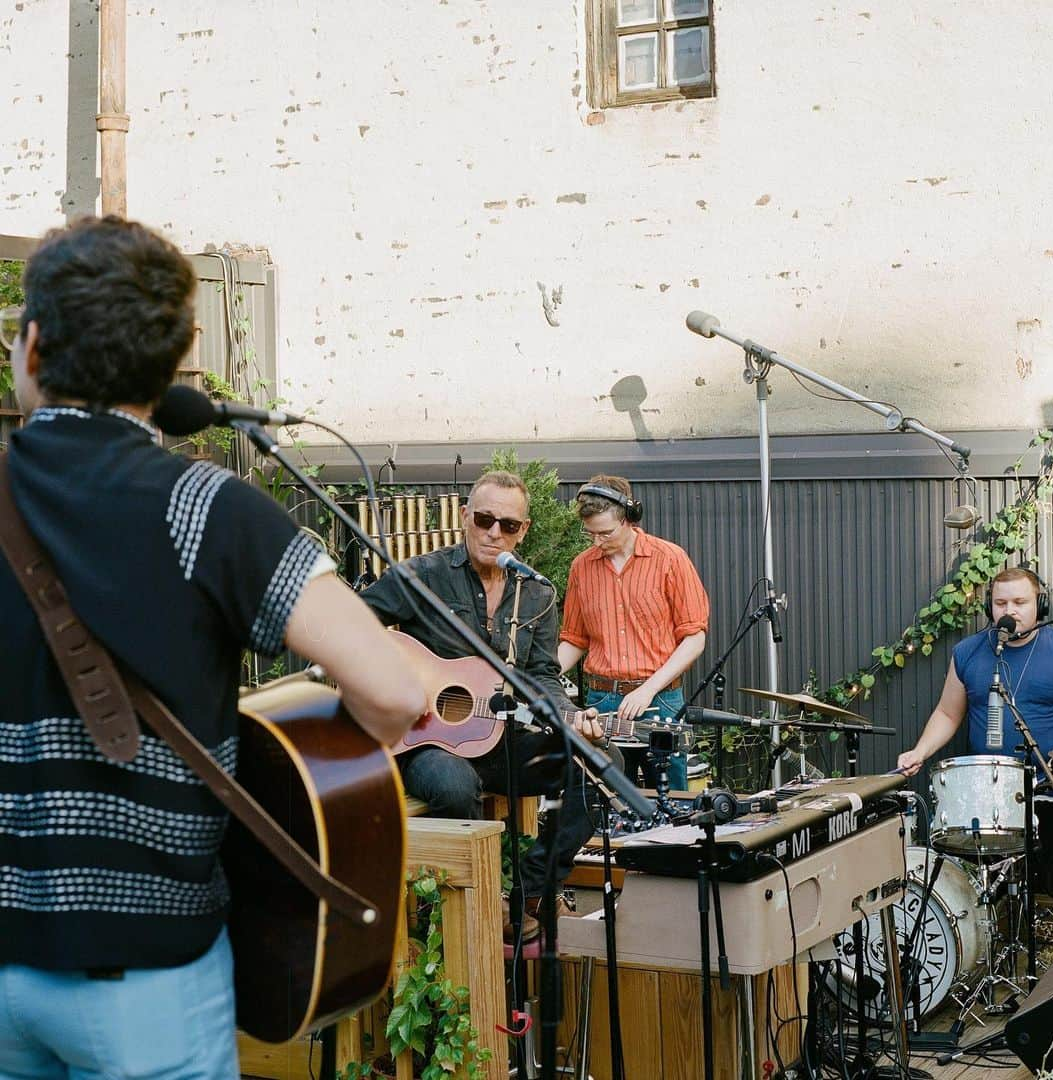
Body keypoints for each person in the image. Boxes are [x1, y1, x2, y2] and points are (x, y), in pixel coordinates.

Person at [0, 216, 425, 1080]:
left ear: (33, 345)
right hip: (147, 982)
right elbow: (393, 691)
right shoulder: (208, 509)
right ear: (174, 364)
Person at [360, 470, 606, 943]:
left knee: (597, 767)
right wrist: (395, 684)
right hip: (427, 737)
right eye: (485, 519)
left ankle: (529, 894)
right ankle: (467, 906)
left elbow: (542, 676)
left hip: (499, 735)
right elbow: (351, 625)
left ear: (524, 530)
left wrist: (568, 720)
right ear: (465, 516)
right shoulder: (423, 576)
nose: (495, 533)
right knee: (453, 784)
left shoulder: (536, 594)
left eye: (508, 525)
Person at [897, 567, 1053, 886]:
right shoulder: (968, 652)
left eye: (1020, 602)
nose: (1009, 611)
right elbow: (947, 713)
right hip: (989, 793)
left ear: (1041, 604)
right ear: (989, 607)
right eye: (1000, 603)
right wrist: (920, 751)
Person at [558, 475, 709, 791]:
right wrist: (536, 679)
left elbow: (695, 638)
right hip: (602, 701)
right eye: (591, 535)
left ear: (629, 518)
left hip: (661, 699)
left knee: (671, 804)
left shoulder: (670, 559)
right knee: (607, 804)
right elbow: (574, 638)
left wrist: (648, 689)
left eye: (606, 532)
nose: (598, 542)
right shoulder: (581, 568)